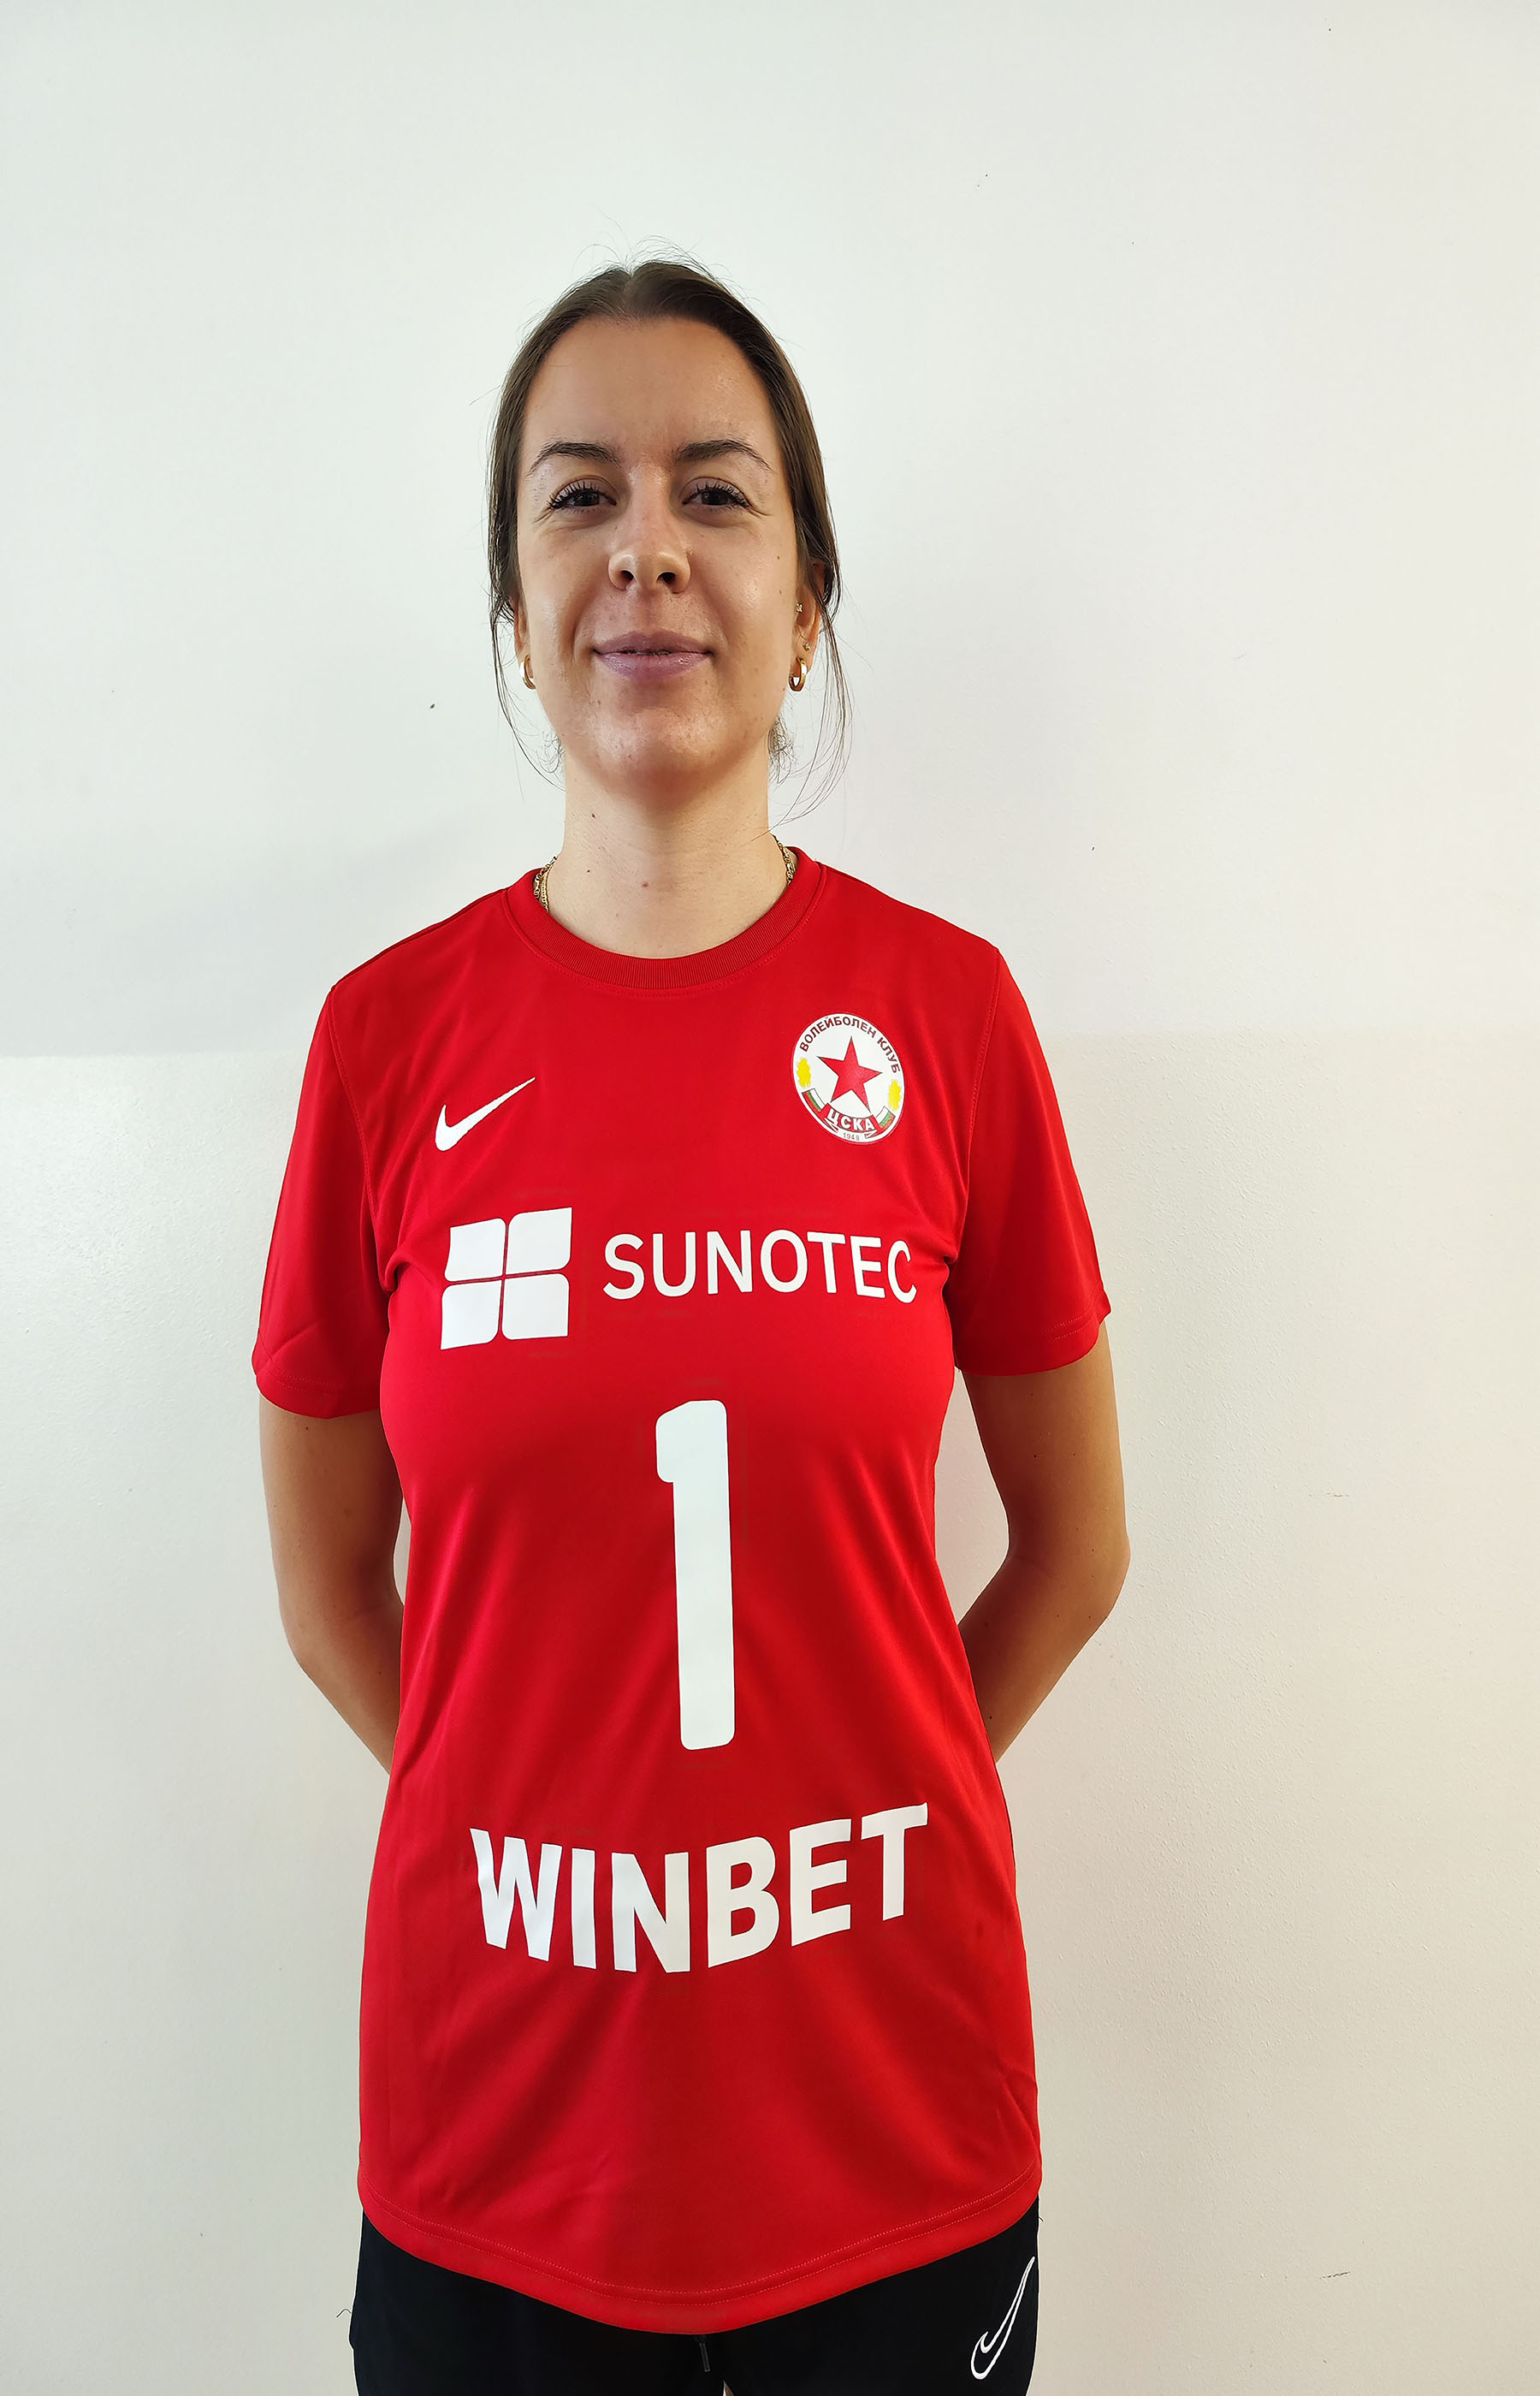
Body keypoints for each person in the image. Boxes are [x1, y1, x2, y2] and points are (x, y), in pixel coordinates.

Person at [254, 257, 1130, 2396]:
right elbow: (328, 1589)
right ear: (517, 608)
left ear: (806, 601)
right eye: (580, 495)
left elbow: (1077, 1544)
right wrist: (539, 1810)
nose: (645, 544)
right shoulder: (385, 1046)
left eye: (714, 491)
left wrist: (875, 1785)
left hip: (887, 2125)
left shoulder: (946, 1016)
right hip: (503, 2146)